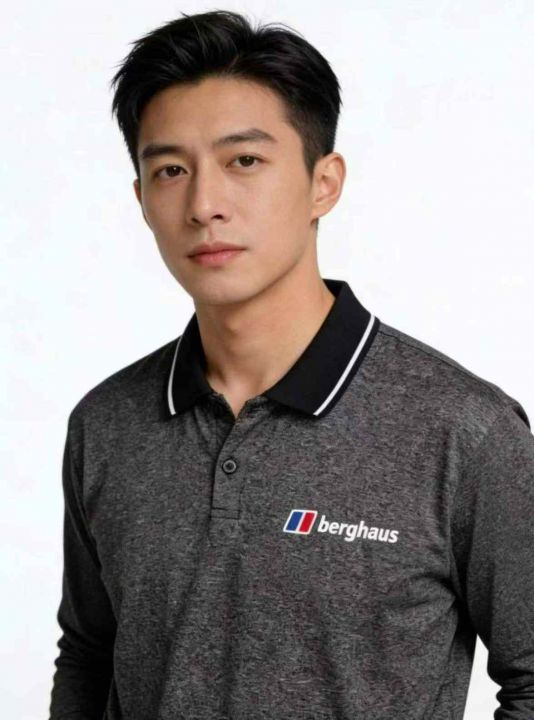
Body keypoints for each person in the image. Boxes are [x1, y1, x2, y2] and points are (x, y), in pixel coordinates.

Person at [48, 9, 534, 720]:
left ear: (323, 183)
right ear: (142, 200)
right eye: (171, 170)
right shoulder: (106, 424)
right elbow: (90, 657)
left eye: (244, 161)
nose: (204, 205)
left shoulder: (466, 432)